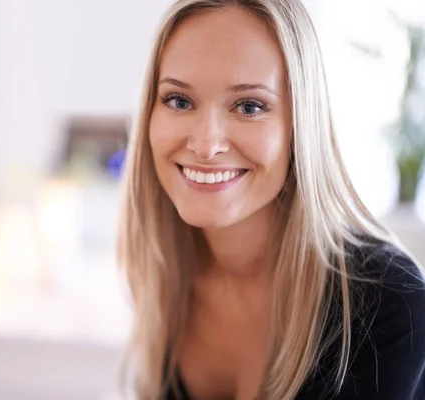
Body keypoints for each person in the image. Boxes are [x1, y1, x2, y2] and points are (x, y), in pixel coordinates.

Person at [116, 0, 425, 399]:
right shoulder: (164, 270)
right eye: (179, 100)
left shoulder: (388, 305)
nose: (206, 144)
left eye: (249, 106)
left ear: (300, 127)